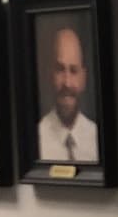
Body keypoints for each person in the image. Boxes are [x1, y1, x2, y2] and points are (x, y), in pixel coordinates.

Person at [35, 24, 99, 162]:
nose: (67, 83)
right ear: (50, 74)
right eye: (60, 69)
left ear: (83, 78)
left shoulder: (97, 138)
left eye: (74, 70)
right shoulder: (35, 140)